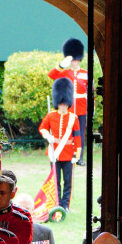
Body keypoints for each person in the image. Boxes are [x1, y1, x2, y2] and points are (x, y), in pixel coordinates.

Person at [39, 77, 81, 211]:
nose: (63, 106)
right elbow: (42, 128)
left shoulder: (73, 118)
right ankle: (56, 202)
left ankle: (65, 205)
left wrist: (77, 154)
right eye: (61, 103)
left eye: (65, 103)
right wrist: (47, 136)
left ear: (68, 103)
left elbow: (78, 137)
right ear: (58, 102)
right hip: (54, 153)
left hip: (68, 154)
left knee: (67, 182)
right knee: (56, 181)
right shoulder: (51, 115)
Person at [48, 38, 89, 165]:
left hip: (82, 108)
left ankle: (79, 157)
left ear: (79, 60)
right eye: (73, 60)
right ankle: (67, 155)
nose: (75, 63)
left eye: (76, 60)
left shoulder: (86, 73)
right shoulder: (65, 72)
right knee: (67, 133)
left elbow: (90, 93)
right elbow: (51, 75)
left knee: (80, 133)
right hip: (69, 108)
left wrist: (90, 109)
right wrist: (61, 65)